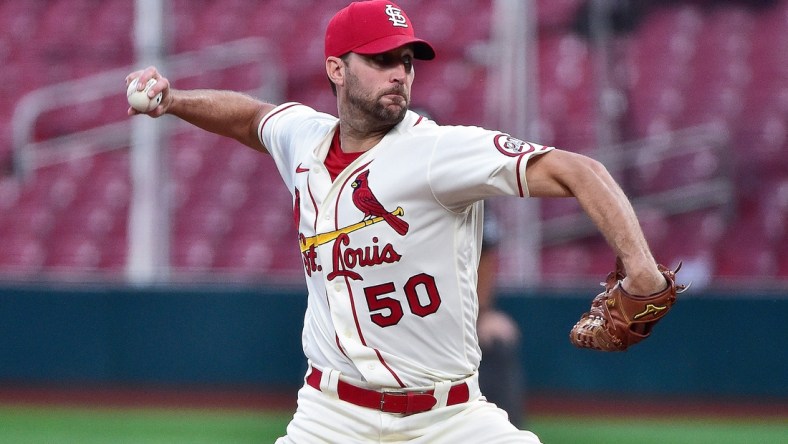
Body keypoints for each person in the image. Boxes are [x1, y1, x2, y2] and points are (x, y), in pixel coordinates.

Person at [126, 1, 669, 442]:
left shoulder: (437, 151)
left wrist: (642, 272)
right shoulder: (303, 136)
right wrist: (173, 100)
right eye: (382, 60)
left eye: (407, 60)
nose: (401, 74)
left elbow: (580, 169)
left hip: (449, 419)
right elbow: (250, 118)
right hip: (331, 416)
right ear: (336, 68)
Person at [476, 206, 526, 427]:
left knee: (498, 340)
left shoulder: (474, 198)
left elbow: (485, 250)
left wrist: (482, 314)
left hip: (459, 313)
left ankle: (506, 431)